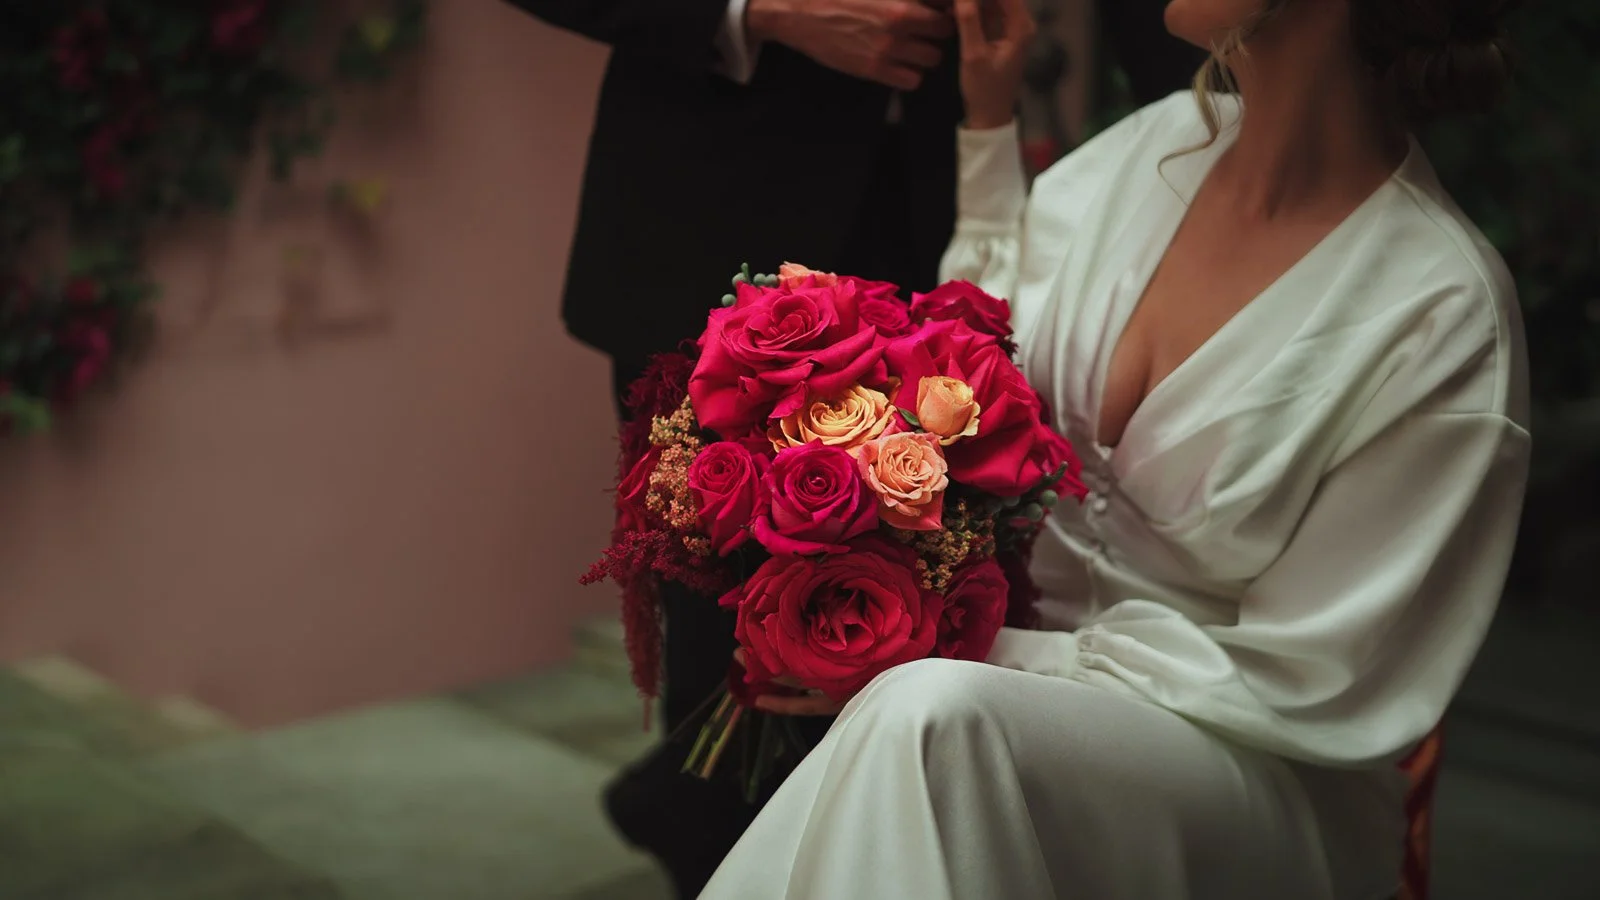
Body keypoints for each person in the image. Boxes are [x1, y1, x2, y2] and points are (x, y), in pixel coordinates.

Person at [699, 0, 1529, 897]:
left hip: (1252, 764)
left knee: (927, 718)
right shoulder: (1150, 148)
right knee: (926, 726)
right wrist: (989, 124)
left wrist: (969, 652)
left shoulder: (1443, 312)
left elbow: (1309, 680)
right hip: (999, 708)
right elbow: (973, 358)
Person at [505, 1, 1202, 895]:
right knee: (725, 657)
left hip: (939, 217)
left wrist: (1232, 127)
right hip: (709, 225)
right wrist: (759, 13)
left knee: (912, 634)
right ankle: (709, 844)